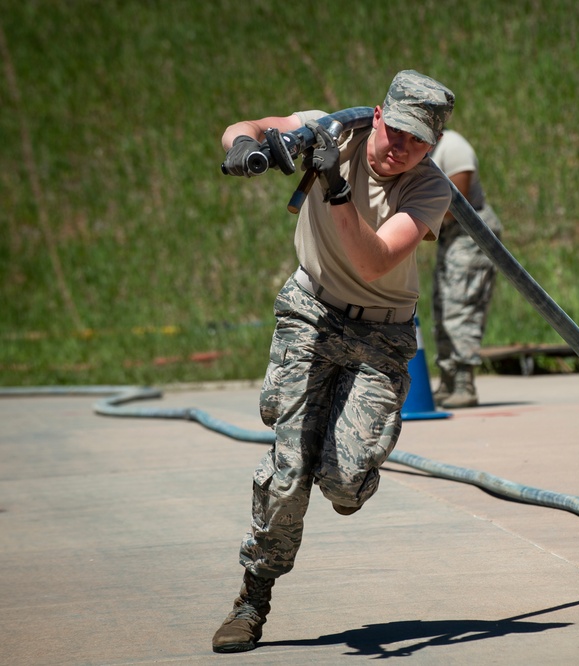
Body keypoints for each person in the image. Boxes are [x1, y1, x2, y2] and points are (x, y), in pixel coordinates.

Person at [212, 70, 455, 653]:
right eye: (395, 130)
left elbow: (372, 262)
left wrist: (335, 187)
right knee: (289, 469)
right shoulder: (329, 134)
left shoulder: (430, 190)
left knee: (343, 486)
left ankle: (342, 461)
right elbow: (238, 128)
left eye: (416, 141)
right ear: (377, 114)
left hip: (382, 335)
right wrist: (250, 147)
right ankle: (253, 597)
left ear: (432, 146)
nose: (400, 148)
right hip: (310, 313)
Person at [428, 129, 503, 408]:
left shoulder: (453, 147)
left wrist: (417, 221)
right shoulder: (418, 148)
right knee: (443, 304)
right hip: (449, 233)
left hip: (471, 231)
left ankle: (463, 382)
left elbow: (458, 199)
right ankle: (448, 380)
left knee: (461, 304)